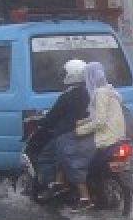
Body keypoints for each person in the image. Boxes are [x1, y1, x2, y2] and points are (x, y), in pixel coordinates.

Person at [34, 59, 94, 204]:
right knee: (65, 157)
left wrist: (40, 122)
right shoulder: (91, 92)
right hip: (89, 135)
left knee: (45, 158)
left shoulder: (67, 96)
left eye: (65, 73)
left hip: (68, 134)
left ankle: (56, 187)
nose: (62, 76)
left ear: (72, 75)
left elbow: (52, 117)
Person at [74, 61, 127, 185]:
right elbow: (100, 117)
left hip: (106, 138)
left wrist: (79, 131)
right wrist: (81, 122)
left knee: (78, 159)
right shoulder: (111, 91)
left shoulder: (100, 94)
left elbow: (100, 121)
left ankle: (84, 191)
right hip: (118, 135)